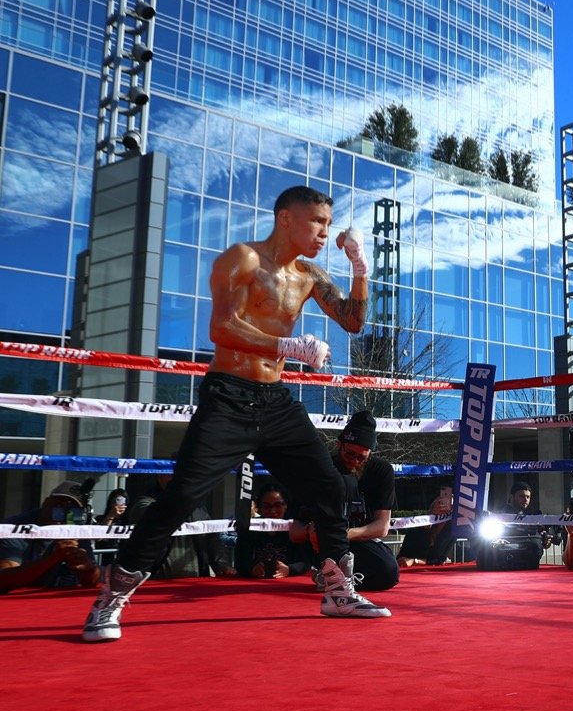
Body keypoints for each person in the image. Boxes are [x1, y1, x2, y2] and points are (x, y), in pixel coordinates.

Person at [82, 185, 389, 643]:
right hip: (228, 397)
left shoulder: (308, 275)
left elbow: (353, 320)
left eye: (329, 224)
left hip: (276, 401)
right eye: (316, 222)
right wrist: (288, 345)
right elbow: (220, 327)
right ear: (285, 218)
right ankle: (112, 594)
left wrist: (360, 268)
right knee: (182, 495)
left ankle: (337, 590)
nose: (325, 232)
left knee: (330, 487)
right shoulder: (242, 259)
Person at [293, 411, 399, 591]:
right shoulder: (322, 469)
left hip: (356, 539)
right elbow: (294, 532)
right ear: (338, 445)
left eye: (362, 457)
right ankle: (329, 573)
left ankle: (338, 578)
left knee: (388, 572)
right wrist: (312, 530)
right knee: (343, 481)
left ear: (370, 454)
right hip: (321, 543)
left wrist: (341, 533)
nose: (355, 461)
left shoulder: (381, 471)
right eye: (350, 454)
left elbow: (382, 526)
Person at [0, 481, 101, 593]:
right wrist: (52, 558)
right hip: (15, 597)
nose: (63, 512)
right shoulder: (15, 527)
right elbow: (4, 579)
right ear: (45, 502)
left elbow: (91, 582)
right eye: (58, 505)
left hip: (54, 597)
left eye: (71, 510)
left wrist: (88, 568)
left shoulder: (76, 528)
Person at [235, 486, 314, 578]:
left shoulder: (296, 527)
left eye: (278, 505)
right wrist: (251, 569)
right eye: (266, 506)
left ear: (285, 505)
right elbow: (240, 561)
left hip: (289, 580)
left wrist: (290, 569)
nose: (272, 511)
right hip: (256, 580)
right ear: (259, 507)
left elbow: (306, 561)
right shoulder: (250, 527)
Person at [398, 487, 457, 567]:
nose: (443, 507)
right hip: (407, 568)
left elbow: (439, 559)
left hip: (430, 572)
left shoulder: (451, 531)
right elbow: (402, 555)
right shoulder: (418, 525)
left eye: (450, 506)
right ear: (433, 506)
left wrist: (415, 561)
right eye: (440, 503)